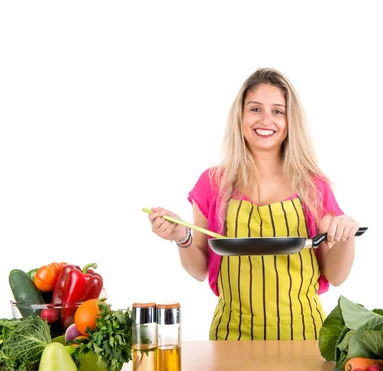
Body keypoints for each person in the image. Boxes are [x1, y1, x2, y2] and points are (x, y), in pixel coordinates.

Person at [148, 68, 360, 341]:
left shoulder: (312, 185)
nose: (266, 120)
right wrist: (181, 237)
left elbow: (336, 274)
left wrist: (346, 235)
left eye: (278, 111)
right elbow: (200, 270)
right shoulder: (213, 183)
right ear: (241, 116)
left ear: (290, 120)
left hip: (304, 337)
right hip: (230, 338)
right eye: (255, 109)